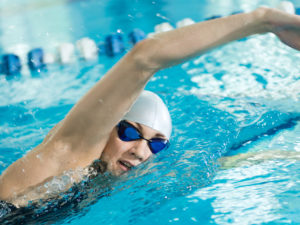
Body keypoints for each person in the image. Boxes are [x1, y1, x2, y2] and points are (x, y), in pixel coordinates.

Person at [1, 7, 300, 207]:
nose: (140, 151)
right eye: (130, 133)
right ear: (107, 128)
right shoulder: (70, 154)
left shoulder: (116, 175)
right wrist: (263, 21)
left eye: (156, 145)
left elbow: (210, 165)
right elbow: (145, 58)